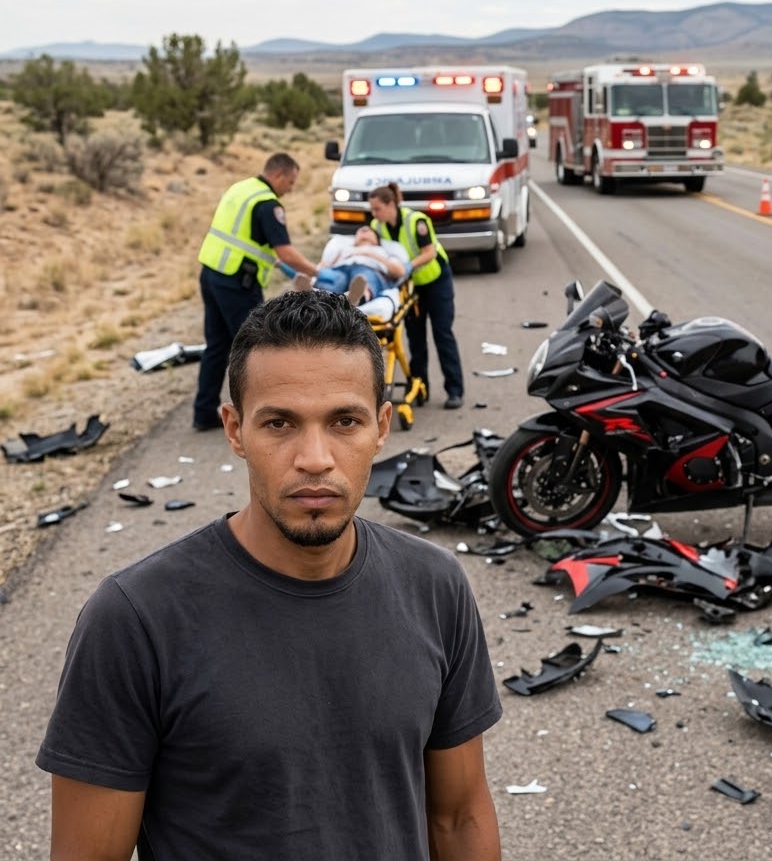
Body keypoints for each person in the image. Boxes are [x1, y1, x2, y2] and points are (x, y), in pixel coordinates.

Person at [36, 290, 503, 861]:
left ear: (381, 427)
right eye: (279, 423)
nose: (314, 458)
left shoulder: (434, 586)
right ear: (234, 430)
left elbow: (459, 818)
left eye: (344, 422)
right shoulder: (136, 619)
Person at [192, 152, 321, 431]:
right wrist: (318, 272)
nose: (292, 188)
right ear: (278, 175)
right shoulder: (267, 203)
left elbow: (246, 238)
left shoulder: (241, 189)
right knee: (255, 347)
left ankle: (203, 412)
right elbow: (285, 251)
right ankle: (259, 415)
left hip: (212, 272)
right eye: (291, 181)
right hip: (237, 281)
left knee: (217, 345)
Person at [368, 182, 465, 409]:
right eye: (372, 210)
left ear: (390, 204)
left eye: (377, 209)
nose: (373, 214)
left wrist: (409, 266)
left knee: (443, 335)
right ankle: (420, 387)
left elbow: (429, 252)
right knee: (415, 338)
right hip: (410, 287)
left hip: (436, 281)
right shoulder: (377, 225)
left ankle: (454, 391)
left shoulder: (417, 221)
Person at [315, 224, 410, 304]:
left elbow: (400, 272)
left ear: (377, 240)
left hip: (368, 269)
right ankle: (314, 292)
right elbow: (326, 264)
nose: (364, 232)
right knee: (335, 278)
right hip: (341, 268)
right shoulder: (345, 249)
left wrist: (371, 254)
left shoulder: (383, 252)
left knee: (363, 277)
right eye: (361, 231)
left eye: (368, 231)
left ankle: (361, 295)